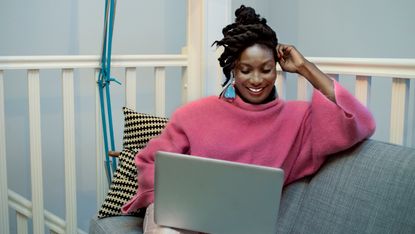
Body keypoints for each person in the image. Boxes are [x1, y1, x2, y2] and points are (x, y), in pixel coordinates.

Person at [122, 5, 376, 234]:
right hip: (181, 221)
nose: (257, 80)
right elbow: (152, 162)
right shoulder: (194, 113)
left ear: (277, 67)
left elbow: (357, 120)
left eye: (266, 69)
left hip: (240, 226)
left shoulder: (298, 120)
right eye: (246, 70)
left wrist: (304, 67)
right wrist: (173, 202)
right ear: (233, 69)